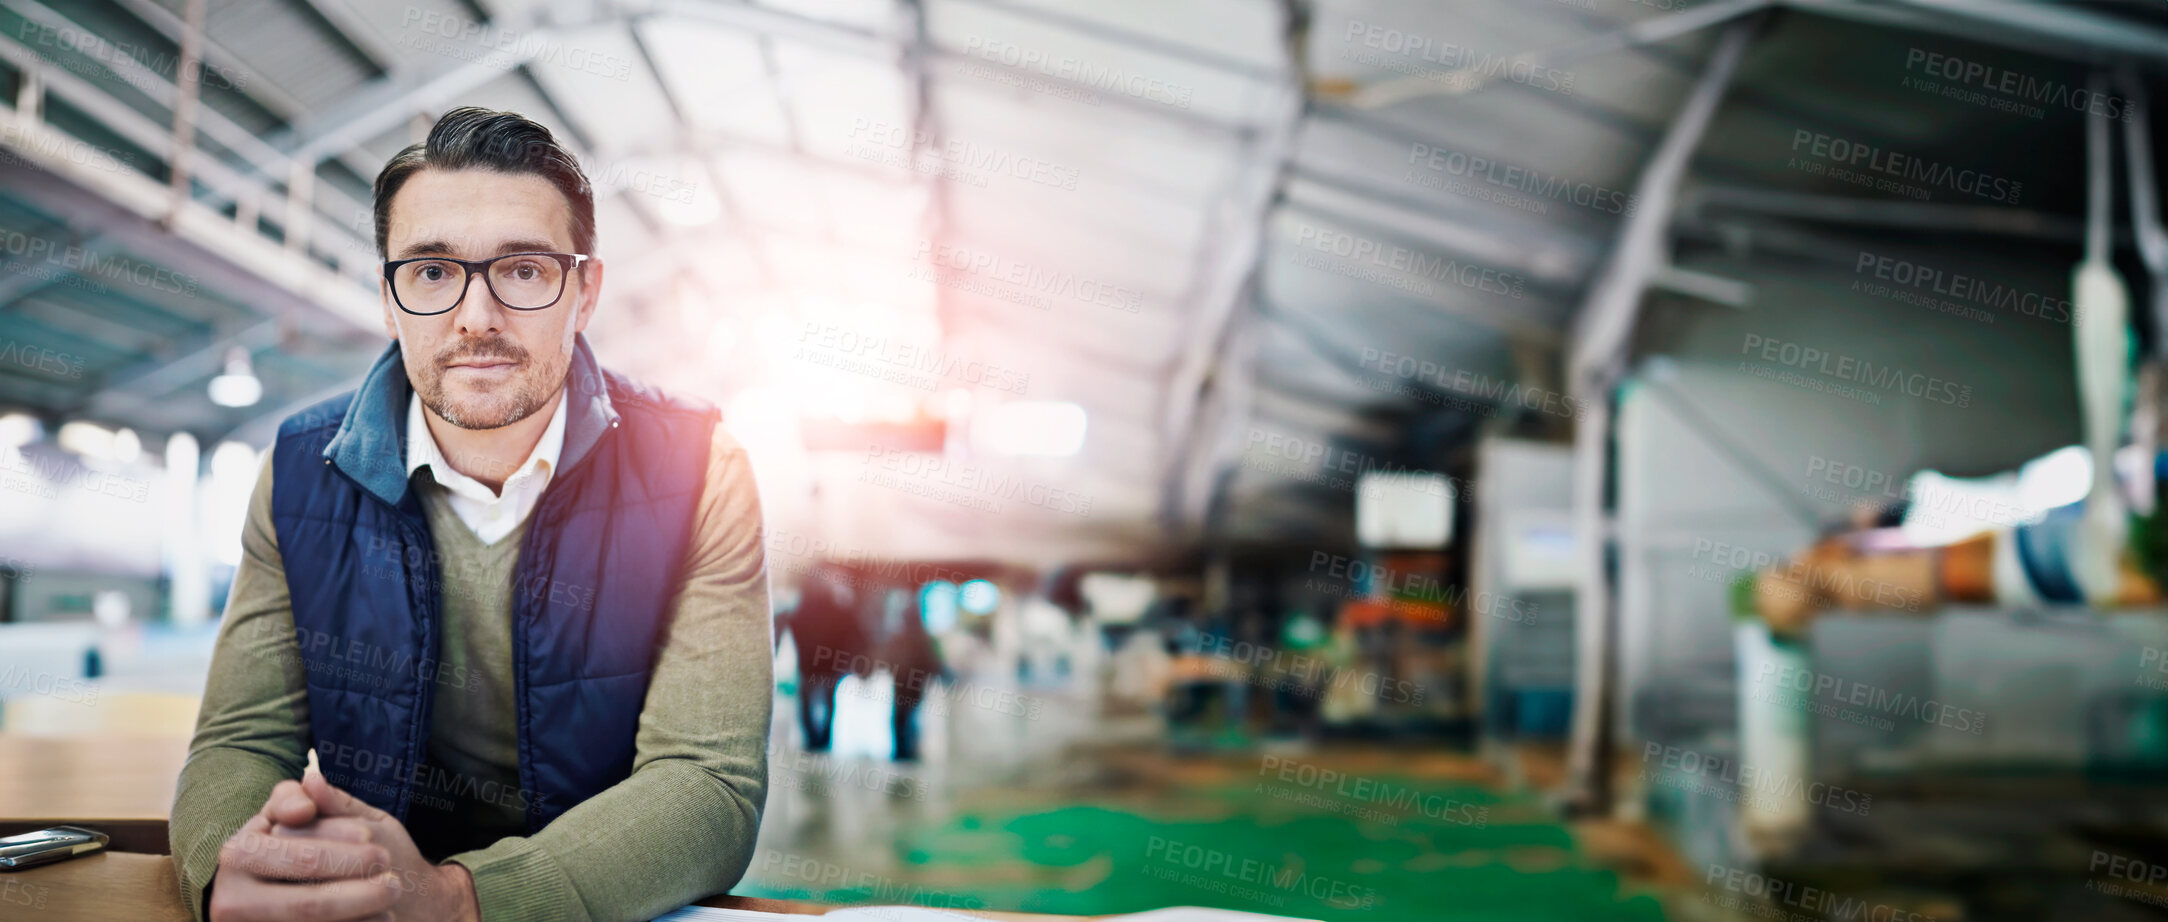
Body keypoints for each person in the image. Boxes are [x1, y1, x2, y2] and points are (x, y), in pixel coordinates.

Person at [168, 107, 773, 922]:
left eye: (523, 271)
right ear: (389, 298)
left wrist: (460, 900)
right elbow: (241, 743)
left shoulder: (699, 467)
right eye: (431, 273)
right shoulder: (301, 472)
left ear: (584, 292)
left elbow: (707, 782)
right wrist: (236, 873)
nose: (476, 318)